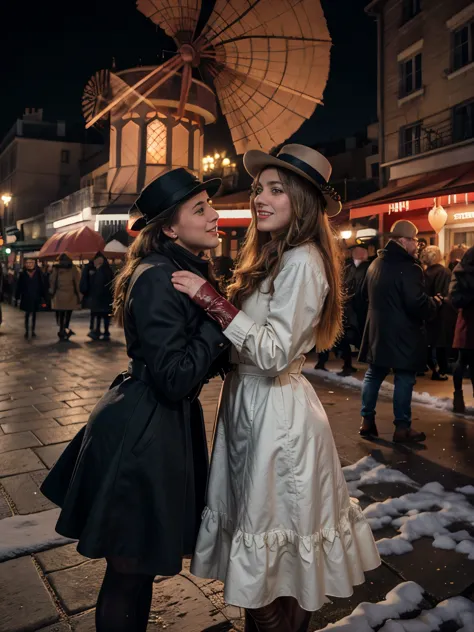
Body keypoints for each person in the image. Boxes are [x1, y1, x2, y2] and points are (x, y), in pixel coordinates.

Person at [171, 145, 381, 632]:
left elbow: (272, 353)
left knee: (277, 547)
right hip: (249, 409)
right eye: (258, 188)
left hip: (278, 419)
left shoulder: (304, 261)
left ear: (301, 201)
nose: (259, 199)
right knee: (262, 547)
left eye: (274, 190)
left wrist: (210, 302)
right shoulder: (273, 254)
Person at [40, 168, 230, 632]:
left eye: (210, 206)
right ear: (168, 226)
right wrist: (215, 318)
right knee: (128, 566)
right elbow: (174, 377)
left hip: (156, 424)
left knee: (137, 563)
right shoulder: (159, 276)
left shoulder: (181, 269)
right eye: (200, 209)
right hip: (142, 431)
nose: (215, 216)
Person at [358, 220, 440, 443]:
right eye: (414, 240)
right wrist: (434, 303)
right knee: (404, 378)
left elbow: (364, 295)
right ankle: (402, 428)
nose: (417, 244)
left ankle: (366, 421)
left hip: (378, 330)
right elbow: (416, 303)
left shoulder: (376, 263)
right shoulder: (409, 267)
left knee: (374, 374)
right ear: (403, 241)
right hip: (404, 333)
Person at [420, 246, 456, 381]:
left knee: (430, 342)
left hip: (427, 310)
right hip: (442, 312)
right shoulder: (444, 272)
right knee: (441, 343)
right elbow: (444, 293)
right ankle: (441, 370)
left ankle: (432, 367)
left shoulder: (423, 273)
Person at [336, 245, 371, 377]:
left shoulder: (367, 268)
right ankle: (348, 364)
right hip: (351, 310)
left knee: (361, 337)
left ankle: (351, 364)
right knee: (347, 337)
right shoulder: (349, 268)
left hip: (361, 309)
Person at [449, 246, 474, 413]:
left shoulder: (460, 271)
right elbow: (455, 298)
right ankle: (458, 397)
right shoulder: (462, 272)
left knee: (464, 359)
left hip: (466, 320)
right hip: (468, 319)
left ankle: (458, 397)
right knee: (464, 359)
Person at [80, 252, 114, 340]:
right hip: (98, 297)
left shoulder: (105, 270)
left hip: (104, 297)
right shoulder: (94, 270)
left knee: (104, 315)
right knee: (98, 315)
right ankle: (98, 331)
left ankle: (103, 332)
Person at [49, 254, 82, 340]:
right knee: (68, 313)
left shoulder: (56, 268)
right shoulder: (74, 269)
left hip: (59, 294)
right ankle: (65, 328)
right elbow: (77, 282)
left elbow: (52, 281)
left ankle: (61, 329)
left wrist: (52, 292)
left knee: (61, 313)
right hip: (71, 294)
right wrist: (79, 295)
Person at [15, 257, 46, 338]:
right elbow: (19, 286)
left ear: (34, 264)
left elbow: (42, 285)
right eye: (28, 263)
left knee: (34, 314)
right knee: (27, 314)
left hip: (36, 296)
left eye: (31, 263)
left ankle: (33, 331)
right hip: (26, 296)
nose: (29, 264)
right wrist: (17, 296)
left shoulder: (38, 273)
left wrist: (44, 296)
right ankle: (26, 331)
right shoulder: (23, 274)